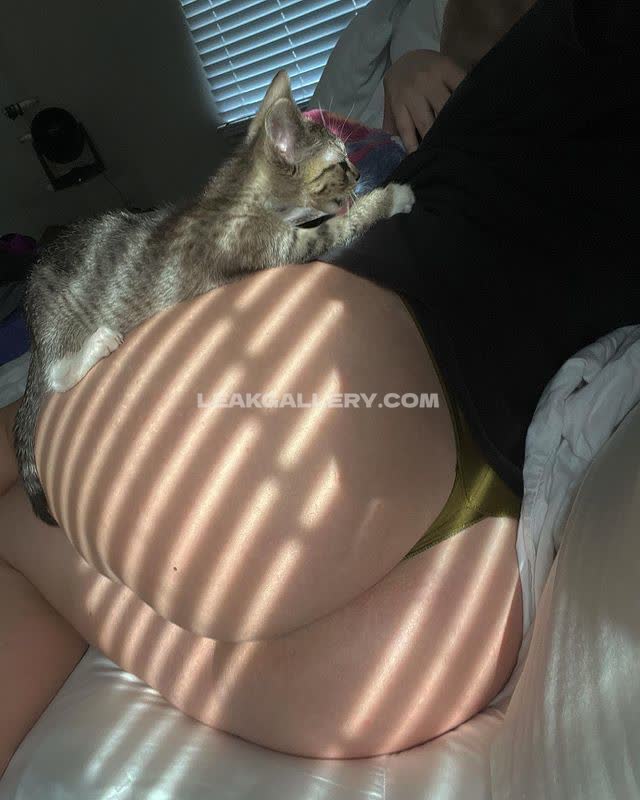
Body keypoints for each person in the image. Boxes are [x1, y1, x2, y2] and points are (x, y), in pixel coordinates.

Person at [0, 0, 635, 772]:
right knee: (51, 518)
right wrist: (410, 72)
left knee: (34, 492)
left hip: (425, 419)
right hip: (469, 542)